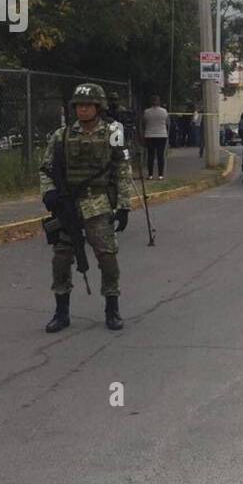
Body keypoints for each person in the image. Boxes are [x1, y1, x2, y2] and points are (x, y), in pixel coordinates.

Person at [39, 83, 132, 332]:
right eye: (79, 105)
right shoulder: (62, 134)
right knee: (61, 259)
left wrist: (124, 205)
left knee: (107, 257)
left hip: (98, 203)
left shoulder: (113, 132)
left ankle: (112, 309)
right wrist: (49, 193)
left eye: (87, 105)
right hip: (68, 206)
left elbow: (123, 170)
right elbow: (46, 169)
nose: (82, 109)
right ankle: (61, 312)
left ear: (98, 107)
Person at [141, 94, 170, 180]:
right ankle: (160, 175)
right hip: (162, 135)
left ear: (151, 102)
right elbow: (167, 123)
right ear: (159, 101)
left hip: (149, 135)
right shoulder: (164, 111)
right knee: (160, 155)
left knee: (150, 155)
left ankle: (150, 175)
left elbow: (144, 123)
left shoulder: (146, 112)